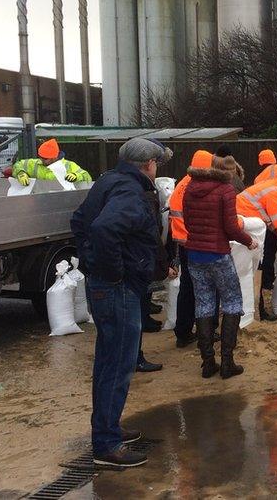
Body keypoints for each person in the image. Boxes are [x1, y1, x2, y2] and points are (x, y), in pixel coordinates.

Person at [70, 137, 169, 468]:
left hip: (106, 285)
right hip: (117, 288)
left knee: (107, 361)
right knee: (118, 364)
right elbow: (102, 228)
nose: (157, 169)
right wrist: (113, 273)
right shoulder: (129, 190)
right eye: (157, 163)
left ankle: (108, 429)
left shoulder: (108, 182)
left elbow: (79, 221)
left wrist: (91, 262)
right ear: (148, 165)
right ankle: (107, 445)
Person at [183, 154, 259, 379]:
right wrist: (249, 241)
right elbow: (231, 227)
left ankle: (207, 362)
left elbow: (187, 222)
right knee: (233, 303)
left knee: (204, 304)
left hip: (195, 255)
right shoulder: (225, 190)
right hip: (218, 255)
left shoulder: (190, 187)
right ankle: (227, 362)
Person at [236, 166, 277, 321]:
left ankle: (254, 310)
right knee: (254, 269)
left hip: (241, 223)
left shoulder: (266, 187)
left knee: (248, 271)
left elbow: (268, 217)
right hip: (248, 227)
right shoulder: (276, 192)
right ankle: (256, 312)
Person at [137, 140, 177, 372]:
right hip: (139, 258)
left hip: (136, 257)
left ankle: (145, 315)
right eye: (157, 162)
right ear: (149, 163)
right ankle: (135, 357)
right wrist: (164, 264)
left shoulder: (120, 185)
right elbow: (152, 233)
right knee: (138, 294)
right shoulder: (144, 193)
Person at [168, 150, 213, 348]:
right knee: (200, 289)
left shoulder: (182, 184)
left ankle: (183, 331)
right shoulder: (199, 186)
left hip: (184, 242)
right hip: (196, 243)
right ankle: (194, 332)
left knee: (187, 288)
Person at [13, 138, 92, 186]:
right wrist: (21, 173)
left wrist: (76, 176)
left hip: (61, 200)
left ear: (54, 157)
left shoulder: (69, 165)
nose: (42, 160)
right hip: (39, 201)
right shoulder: (35, 163)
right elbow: (18, 165)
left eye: (45, 158)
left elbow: (87, 177)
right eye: (41, 157)